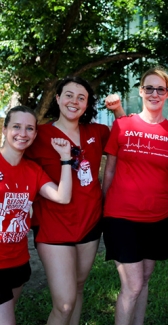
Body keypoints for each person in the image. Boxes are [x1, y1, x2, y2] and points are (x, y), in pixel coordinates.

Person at [24, 76, 125, 325]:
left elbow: (127, 138)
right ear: (58, 99)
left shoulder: (96, 132)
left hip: (90, 223)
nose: (74, 101)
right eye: (68, 95)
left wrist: (118, 110)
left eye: (81, 98)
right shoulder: (39, 135)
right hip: (53, 225)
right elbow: (13, 160)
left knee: (78, 288)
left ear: (87, 104)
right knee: (65, 302)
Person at [102, 66, 168, 325]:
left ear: (167, 94)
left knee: (144, 280)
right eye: (149, 88)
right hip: (121, 216)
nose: (154, 93)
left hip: (157, 217)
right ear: (141, 91)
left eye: (160, 89)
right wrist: (103, 210)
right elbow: (108, 172)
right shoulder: (122, 125)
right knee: (132, 285)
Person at [0, 105, 72, 325]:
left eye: (30, 128)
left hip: (18, 261)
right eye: (16, 127)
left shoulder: (32, 170)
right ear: (4, 130)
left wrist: (66, 159)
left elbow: (62, 196)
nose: (23, 133)